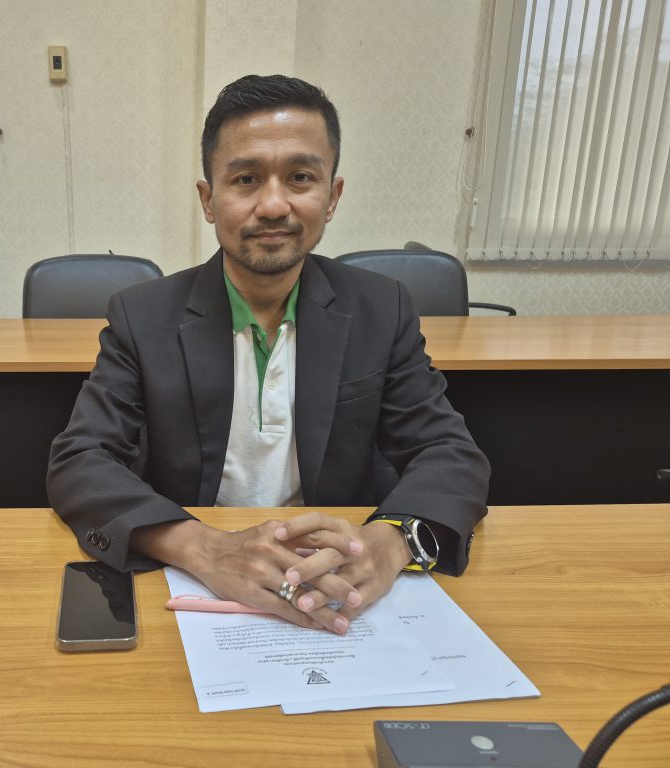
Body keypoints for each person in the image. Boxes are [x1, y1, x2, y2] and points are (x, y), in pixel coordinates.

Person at [47, 74, 489, 634]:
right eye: (246, 179)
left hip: (337, 583)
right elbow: (80, 460)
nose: (274, 205)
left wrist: (392, 541)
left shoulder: (382, 309)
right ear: (209, 200)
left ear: (333, 196)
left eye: (301, 177)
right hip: (199, 588)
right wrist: (203, 548)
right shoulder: (143, 316)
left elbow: (450, 452)